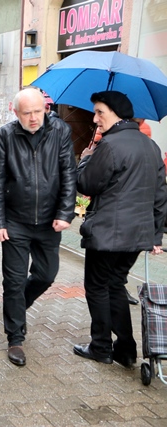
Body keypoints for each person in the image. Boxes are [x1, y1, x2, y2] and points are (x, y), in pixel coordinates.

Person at [72, 91, 167, 367]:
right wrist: (155, 236)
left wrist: (86, 158)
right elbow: (160, 195)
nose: (95, 118)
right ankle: (125, 349)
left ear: (115, 113)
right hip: (137, 236)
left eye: (99, 112)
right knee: (115, 284)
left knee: (97, 287)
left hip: (107, 234)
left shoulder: (109, 146)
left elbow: (86, 184)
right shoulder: (151, 146)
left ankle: (101, 346)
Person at [0, 87, 76, 367]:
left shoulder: (59, 131)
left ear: (45, 109)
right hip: (15, 221)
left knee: (47, 274)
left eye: (38, 111)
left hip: (50, 221)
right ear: (15, 113)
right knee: (13, 281)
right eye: (27, 113)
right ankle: (15, 337)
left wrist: (65, 212)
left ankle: (17, 308)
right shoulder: (4, 136)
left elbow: (68, 173)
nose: (34, 118)